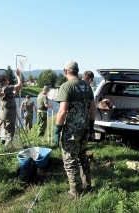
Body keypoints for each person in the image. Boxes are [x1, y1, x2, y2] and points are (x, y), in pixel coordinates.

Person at [54, 60, 96, 197]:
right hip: (85, 128)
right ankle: (87, 185)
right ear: (77, 71)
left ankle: (75, 192)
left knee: (70, 159)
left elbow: (62, 111)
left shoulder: (66, 86)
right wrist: (91, 125)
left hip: (72, 130)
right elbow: (92, 107)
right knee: (83, 156)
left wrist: (56, 130)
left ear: (65, 71)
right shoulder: (87, 86)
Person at [0, 70, 23, 148]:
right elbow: (20, 85)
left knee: (3, 130)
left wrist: (16, 91)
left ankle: (2, 144)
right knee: (10, 131)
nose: (8, 80)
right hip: (8, 113)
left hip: (1, 112)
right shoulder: (6, 88)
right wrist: (18, 76)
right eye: (7, 79)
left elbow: (9, 97)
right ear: (4, 81)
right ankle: (7, 149)